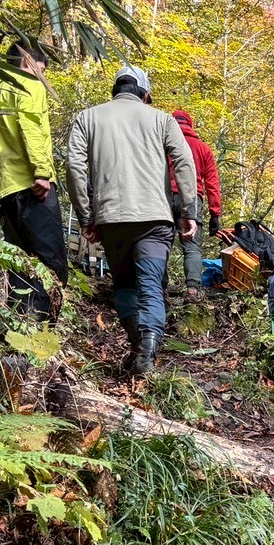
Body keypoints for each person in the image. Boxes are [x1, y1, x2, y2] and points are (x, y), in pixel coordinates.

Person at [65, 66, 198, 375]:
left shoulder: (88, 118)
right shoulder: (162, 119)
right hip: (155, 218)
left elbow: (74, 166)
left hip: (112, 219)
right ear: (145, 94)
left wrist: (85, 215)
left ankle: (139, 346)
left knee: (124, 285)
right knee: (150, 286)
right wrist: (188, 210)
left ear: (115, 90)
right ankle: (147, 354)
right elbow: (184, 161)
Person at [0, 39, 68, 322]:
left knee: (19, 261)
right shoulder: (28, 84)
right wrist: (42, 172)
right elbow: (30, 126)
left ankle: (20, 324)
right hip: (31, 185)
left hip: (4, 190)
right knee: (50, 261)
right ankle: (42, 327)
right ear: (28, 63)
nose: (44, 77)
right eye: (42, 70)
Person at [168, 109, 222, 299]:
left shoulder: (164, 144)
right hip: (191, 199)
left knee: (161, 243)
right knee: (191, 246)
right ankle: (193, 289)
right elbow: (212, 183)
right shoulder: (202, 148)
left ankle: (159, 288)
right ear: (190, 125)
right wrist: (215, 214)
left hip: (163, 197)